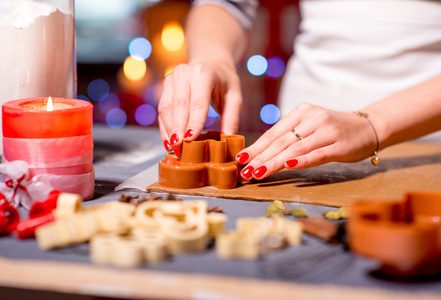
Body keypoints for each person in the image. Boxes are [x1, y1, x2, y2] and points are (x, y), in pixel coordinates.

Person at [157, 0, 441, 181]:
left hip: (426, 148)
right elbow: (226, 4)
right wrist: (213, 59)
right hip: (298, 147)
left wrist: (373, 124)